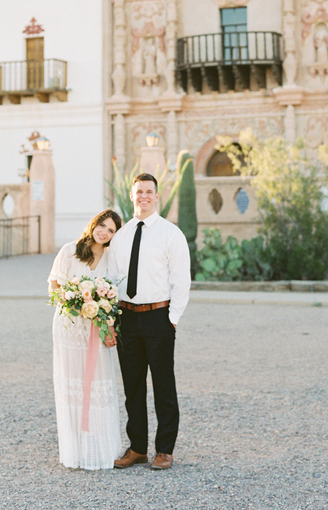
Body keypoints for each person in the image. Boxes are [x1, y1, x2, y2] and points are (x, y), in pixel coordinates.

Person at [107, 173, 191, 471]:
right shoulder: (122, 235)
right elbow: (113, 279)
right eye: (139, 191)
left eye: (148, 191)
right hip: (127, 317)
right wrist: (112, 318)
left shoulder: (171, 234)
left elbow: (181, 280)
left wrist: (173, 320)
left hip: (159, 317)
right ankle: (138, 448)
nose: (143, 196)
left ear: (156, 196)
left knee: (163, 385)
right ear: (132, 196)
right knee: (133, 387)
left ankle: (165, 449)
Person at [47, 209, 123, 470]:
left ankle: (98, 448)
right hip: (69, 327)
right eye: (102, 225)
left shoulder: (112, 258)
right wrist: (74, 302)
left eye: (111, 230)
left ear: (114, 236)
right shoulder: (69, 250)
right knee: (73, 384)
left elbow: (112, 296)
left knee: (96, 383)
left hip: (96, 327)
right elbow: (54, 287)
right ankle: (75, 450)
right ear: (94, 224)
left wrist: (106, 322)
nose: (104, 231)